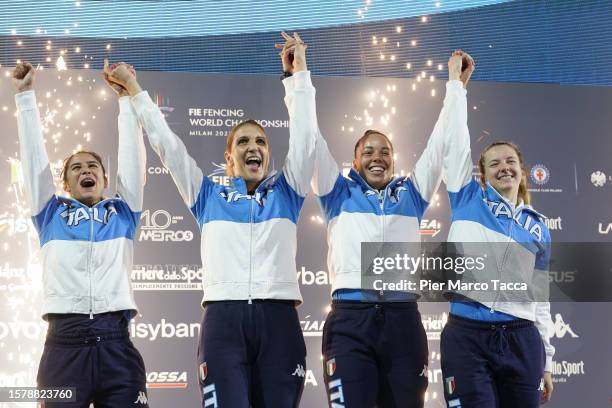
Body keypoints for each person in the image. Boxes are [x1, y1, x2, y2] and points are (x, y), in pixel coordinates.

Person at [104, 32, 318, 408]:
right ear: (230, 156)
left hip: (279, 321)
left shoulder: (288, 190)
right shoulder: (208, 195)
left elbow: (305, 138)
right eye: (244, 142)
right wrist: (134, 88)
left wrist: (298, 75)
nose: (254, 147)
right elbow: (166, 145)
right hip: (223, 322)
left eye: (261, 142)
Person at [310, 51, 473, 407]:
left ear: (394, 160)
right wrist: (298, 76)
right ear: (354, 162)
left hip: (402, 321)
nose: (377, 157)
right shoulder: (336, 193)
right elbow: (311, 140)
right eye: (368, 151)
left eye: (385, 151)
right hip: (350, 322)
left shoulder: (411, 194)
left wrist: (455, 87)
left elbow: (441, 144)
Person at [13, 61, 148, 407]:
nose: (85, 171)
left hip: (117, 346)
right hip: (63, 348)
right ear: (66, 183)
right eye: (76, 168)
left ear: (105, 180)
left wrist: (126, 102)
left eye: (93, 167)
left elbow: (132, 161)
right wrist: (26, 96)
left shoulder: (123, 212)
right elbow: (34, 164)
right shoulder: (50, 213)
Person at [441, 54, 555, 407]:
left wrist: (547, 359)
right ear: (482, 173)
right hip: (466, 336)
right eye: (494, 163)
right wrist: (457, 88)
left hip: (522, 340)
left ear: (521, 170)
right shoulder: (466, 198)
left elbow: (541, 300)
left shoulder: (538, 227)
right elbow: (455, 141)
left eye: (510, 161)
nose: (503, 167)